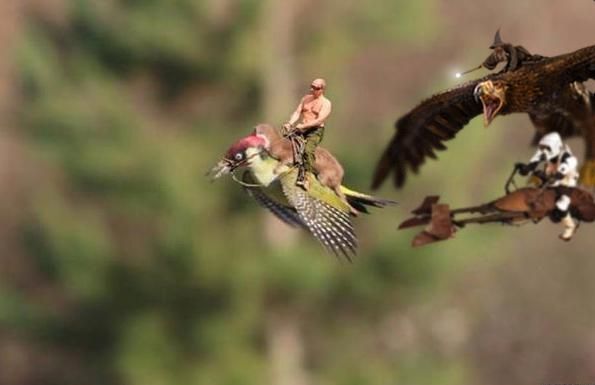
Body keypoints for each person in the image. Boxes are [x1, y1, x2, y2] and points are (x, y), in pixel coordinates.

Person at [516, 132, 580, 241]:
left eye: (547, 148)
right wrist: (524, 169)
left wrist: (544, 176)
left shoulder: (568, 159)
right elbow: (532, 165)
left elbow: (558, 177)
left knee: (561, 205)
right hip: (550, 180)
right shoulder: (543, 154)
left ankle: (570, 226)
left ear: (555, 147)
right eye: (543, 147)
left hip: (566, 184)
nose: (544, 150)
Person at [283, 78, 332, 190]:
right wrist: (290, 123)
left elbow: (319, 120)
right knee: (285, 143)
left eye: (316, 88)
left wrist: (304, 126)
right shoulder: (306, 98)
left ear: (322, 89)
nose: (312, 89)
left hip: (315, 130)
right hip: (302, 128)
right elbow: (297, 112)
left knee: (307, 150)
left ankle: (307, 178)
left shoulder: (326, 103)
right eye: (311, 86)